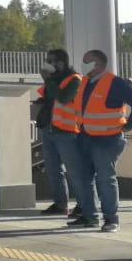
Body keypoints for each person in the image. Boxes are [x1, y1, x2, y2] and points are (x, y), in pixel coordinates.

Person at [66, 49, 132, 233]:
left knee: (105, 179)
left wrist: (128, 126)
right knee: (83, 178)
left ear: (98, 64)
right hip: (85, 137)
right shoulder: (85, 82)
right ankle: (89, 216)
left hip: (108, 139)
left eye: (87, 61)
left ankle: (111, 219)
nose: (83, 64)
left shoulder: (115, 83)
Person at [32, 49, 80, 215]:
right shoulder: (53, 80)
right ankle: (61, 205)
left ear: (62, 62)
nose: (50, 64)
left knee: (75, 170)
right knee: (53, 170)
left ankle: (83, 204)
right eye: (48, 61)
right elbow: (52, 98)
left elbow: (64, 98)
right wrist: (42, 100)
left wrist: (48, 79)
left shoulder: (74, 79)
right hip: (49, 129)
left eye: (53, 61)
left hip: (67, 131)